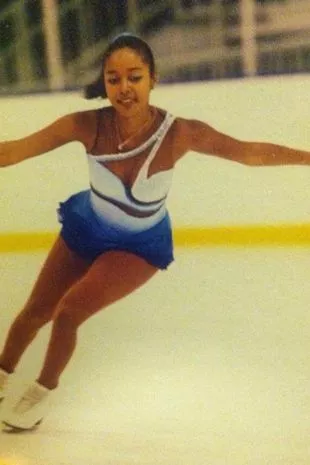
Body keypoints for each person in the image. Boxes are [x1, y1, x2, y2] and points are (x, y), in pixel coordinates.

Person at [0, 32, 309, 432]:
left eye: (135, 77)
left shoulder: (179, 133)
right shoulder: (84, 125)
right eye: (114, 79)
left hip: (138, 245)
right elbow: (11, 151)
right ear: (105, 83)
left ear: (153, 78)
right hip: (87, 226)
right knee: (35, 311)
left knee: (68, 313)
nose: (124, 88)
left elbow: (250, 153)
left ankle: (41, 392)